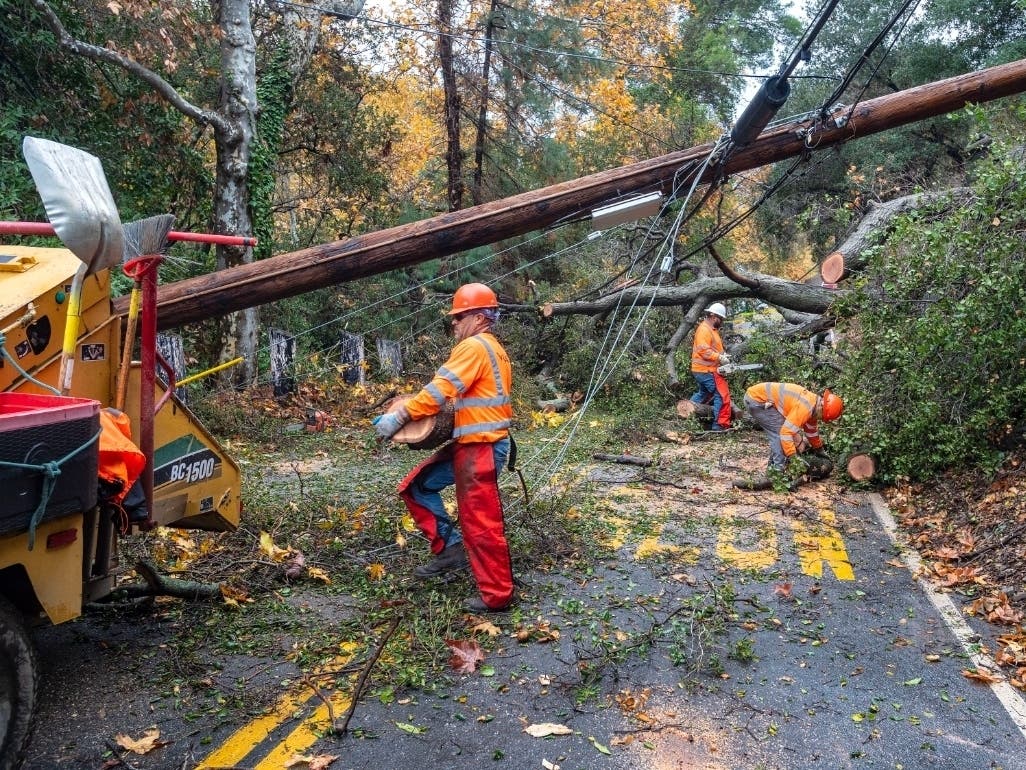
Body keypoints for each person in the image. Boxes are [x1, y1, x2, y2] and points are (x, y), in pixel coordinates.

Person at [372, 283, 515, 613]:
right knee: (417, 487)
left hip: (482, 447)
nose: (454, 322)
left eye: (459, 316)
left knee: (481, 523)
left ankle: (498, 596)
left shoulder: (475, 347)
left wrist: (400, 418)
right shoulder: (494, 348)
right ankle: (451, 551)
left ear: (479, 317)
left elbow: (439, 392)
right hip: (474, 445)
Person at [735, 382, 844, 489]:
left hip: (758, 398)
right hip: (756, 400)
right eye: (822, 417)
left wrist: (819, 450)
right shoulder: (806, 407)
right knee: (778, 433)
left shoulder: (813, 405)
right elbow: (785, 433)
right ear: (822, 408)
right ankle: (777, 473)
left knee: (783, 431)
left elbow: (811, 432)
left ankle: (773, 467)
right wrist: (793, 456)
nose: (820, 419)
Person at [689, 302, 732, 431]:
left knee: (703, 393)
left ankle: (687, 413)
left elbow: (715, 348)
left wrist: (724, 356)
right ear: (714, 316)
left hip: (705, 370)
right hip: (704, 370)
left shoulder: (712, 329)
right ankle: (718, 425)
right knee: (720, 394)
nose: (722, 321)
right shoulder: (704, 329)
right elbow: (704, 351)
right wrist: (719, 358)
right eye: (721, 319)